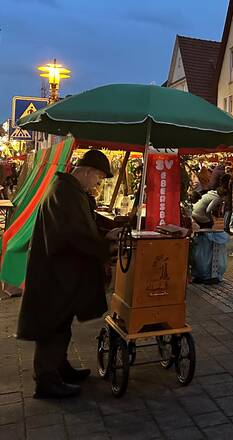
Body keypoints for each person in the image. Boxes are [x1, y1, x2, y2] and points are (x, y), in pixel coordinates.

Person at [17, 150, 121, 399]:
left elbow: (81, 226)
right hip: (55, 272)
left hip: (60, 271)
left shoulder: (71, 191)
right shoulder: (64, 192)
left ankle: (57, 367)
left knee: (60, 323)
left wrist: (102, 235)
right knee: (52, 324)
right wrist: (104, 246)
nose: (97, 183)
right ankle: (47, 379)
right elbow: (74, 234)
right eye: (97, 178)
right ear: (85, 172)